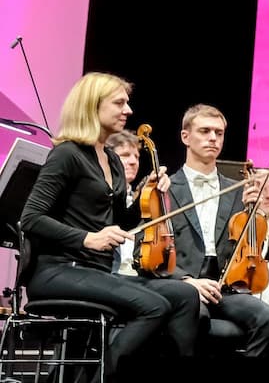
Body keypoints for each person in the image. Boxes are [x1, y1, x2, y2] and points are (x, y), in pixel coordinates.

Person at [19, 72, 200, 378]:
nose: (128, 110)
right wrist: (86, 239)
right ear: (93, 105)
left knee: (185, 296)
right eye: (119, 103)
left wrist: (147, 193)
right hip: (58, 270)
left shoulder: (112, 160)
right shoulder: (67, 154)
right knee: (153, 306)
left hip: (95, 272)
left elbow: (119, 221)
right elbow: (31, 218)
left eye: (127, 103)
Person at [165, 104, 269, 357]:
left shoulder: (237, 189)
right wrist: (187, 281)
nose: (213, 138)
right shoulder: (165, 188)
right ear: (185, 137)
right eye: (205, 131)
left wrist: (254, 213)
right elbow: (152, 255)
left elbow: (246, 249)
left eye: (218, 133)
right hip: (185, 285)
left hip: (223, 287)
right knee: (197, 316)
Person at [105, 129, 143, 277]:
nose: (133, 162)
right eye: (125, 155)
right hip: (111, 272)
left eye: (137, 157)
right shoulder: (101, 197)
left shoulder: (143, 202)